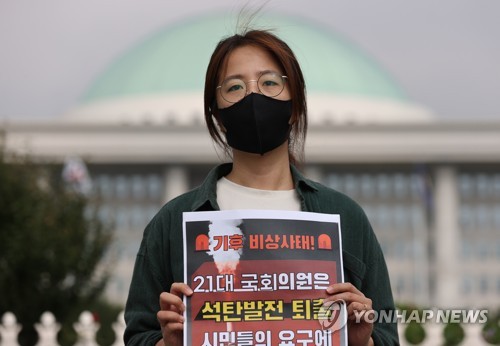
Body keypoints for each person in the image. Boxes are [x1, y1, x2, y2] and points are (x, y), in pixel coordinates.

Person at [124, 28, 399, 346]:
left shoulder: (343, 216)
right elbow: (138, 336)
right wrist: (169, 342)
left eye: (270, 83)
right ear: (218, 116)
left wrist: (360, 339)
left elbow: (387, 337)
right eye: (234, 87)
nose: (253, 97)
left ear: (295, 106)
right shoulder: (173, 221)